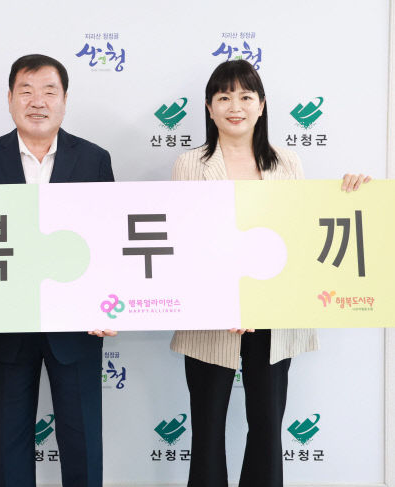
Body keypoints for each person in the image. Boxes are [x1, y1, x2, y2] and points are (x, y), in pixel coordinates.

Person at [170, 59, 370, 487]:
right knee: (207, 433)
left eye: (245, 96)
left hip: (275, 316)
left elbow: (301, 233)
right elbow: (187, 245)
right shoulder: (190, 164)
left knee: (266, 432)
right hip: (212, 318)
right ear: (209, 108)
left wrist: (352, 195)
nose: (235, 106)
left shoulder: (287, 162)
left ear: (261, 106)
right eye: (224, 97)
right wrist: (226, 302)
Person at [0, 54, 115, 487]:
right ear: (10, 98)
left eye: (49, 91)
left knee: (83, 443)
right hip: (7, 324)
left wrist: (108, 306)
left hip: (77, 327)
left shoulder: (94, 159)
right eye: (26, 91)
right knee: (9, 446)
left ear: (64, 100)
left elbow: (108, 240)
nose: (37, 101)